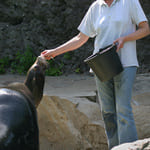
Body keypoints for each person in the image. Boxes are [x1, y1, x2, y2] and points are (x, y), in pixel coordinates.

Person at [41, 0, 150, 149]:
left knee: (123, 109)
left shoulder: (129, 2)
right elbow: (81, 38)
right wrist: (54, 52)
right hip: (102, 65)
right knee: (107, 112)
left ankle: (129, 147)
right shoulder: (96, 7)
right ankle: (114, 147)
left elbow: (145, 29)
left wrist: (125, 38)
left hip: (126, 63)